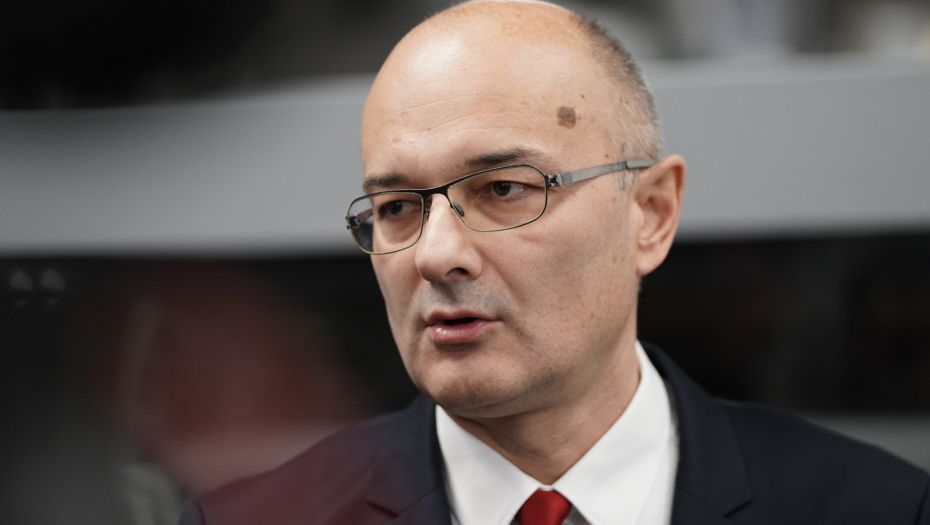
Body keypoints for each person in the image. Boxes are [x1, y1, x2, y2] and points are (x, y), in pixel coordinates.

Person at [179, 1, 930, 524]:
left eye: (504, 189)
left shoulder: (879, 510)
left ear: (650, 213)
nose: (436, 254)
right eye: (398, 207)